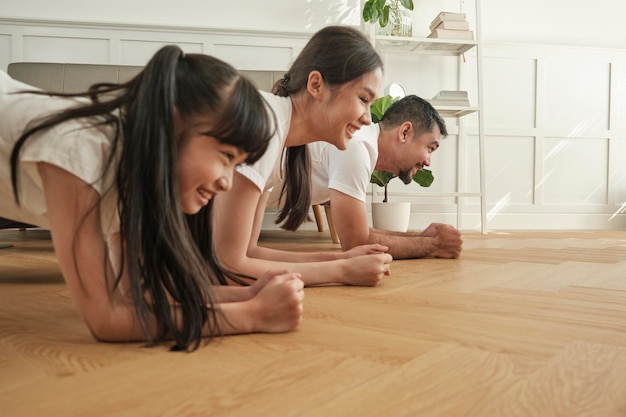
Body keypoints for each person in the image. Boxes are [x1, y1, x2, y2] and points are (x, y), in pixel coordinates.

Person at [0, 45, 304, 351]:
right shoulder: (82, 150)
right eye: (226, 156)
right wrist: (253, 315)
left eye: (236, 164)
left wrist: (249, 294)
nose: (227, 183)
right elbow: (106, 318)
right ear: (172, 122)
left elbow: (141, 293)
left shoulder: (133, 168)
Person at [212, 25, 393, 287]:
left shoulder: (277, 135)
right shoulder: (265, 124)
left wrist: (341, 259)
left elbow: (249, 252)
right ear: (316, 85)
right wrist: (343, 271)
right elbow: (229, 266)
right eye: (363, 99)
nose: (367, 118)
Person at [273, 95, 463, 260]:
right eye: (429, 148)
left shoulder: (362, 143)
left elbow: (358, 232)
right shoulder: (357, 146)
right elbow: (355, 242)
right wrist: (434, 246)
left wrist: (423, 237)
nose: (428, 161)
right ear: (405, 132)